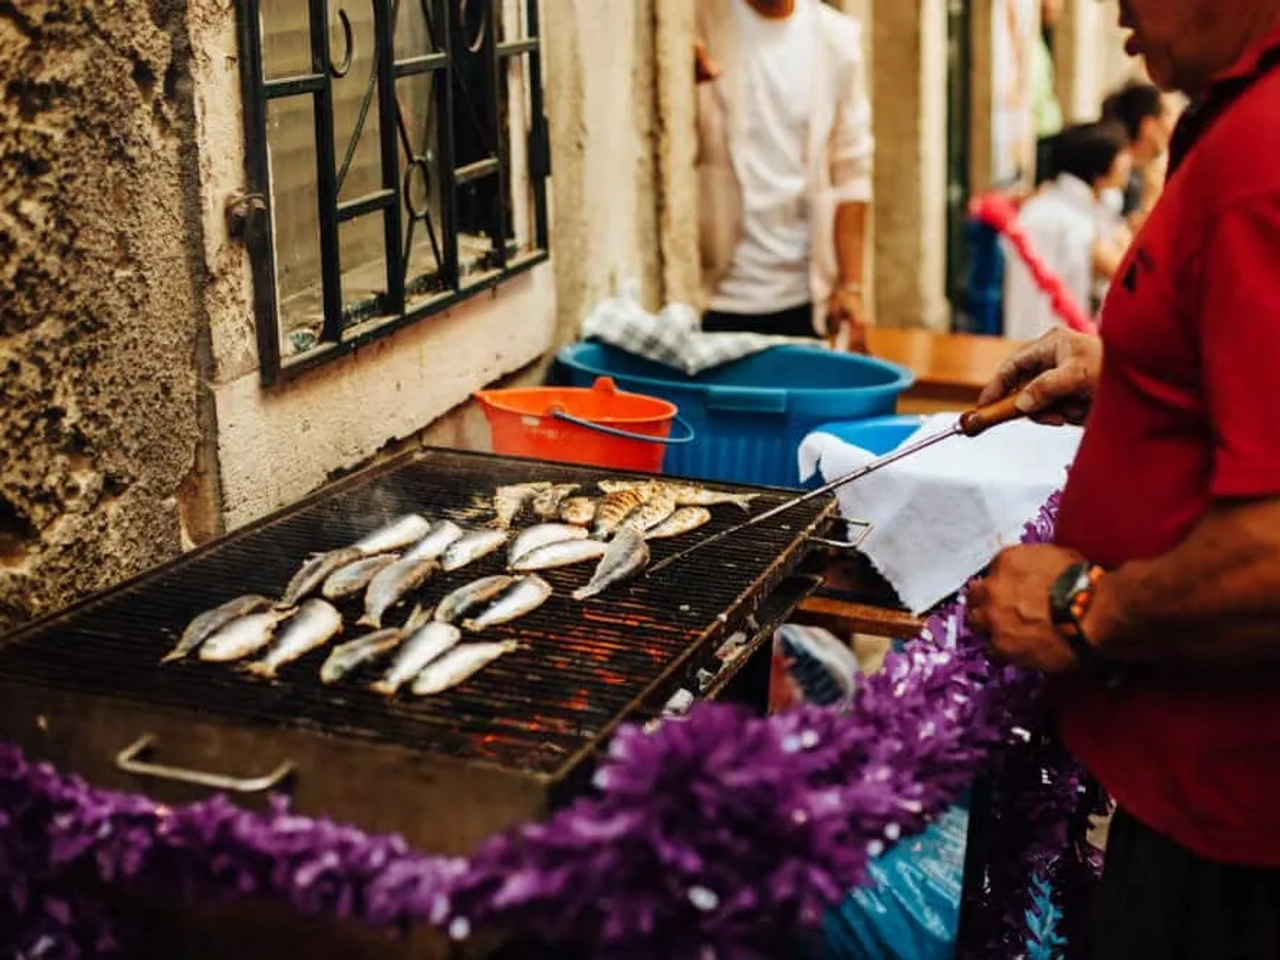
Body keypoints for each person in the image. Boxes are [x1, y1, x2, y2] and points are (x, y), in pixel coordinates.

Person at [967, 0, 1280, 955]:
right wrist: (1133, 373)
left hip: (1235, 841)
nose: (1115, 9)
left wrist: (1080, 609)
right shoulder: (1238, 124)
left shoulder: (1261, 161)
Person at [694, 0, 873, 352]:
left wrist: (850, 286)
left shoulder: (836, 40)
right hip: (713, 296)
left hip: (803, 298)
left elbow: (851, 170)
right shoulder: (701, 20)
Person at [1001, 121, 1133, 341]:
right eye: (1122, 155)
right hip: (1044, 337)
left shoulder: (1064, 204)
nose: (1128, 162)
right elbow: (1124, 270)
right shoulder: (1068, 218)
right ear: (1101, 167)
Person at [1101, 80, 1178, 230]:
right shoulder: (1115, 177)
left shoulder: (1142, 174)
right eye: (1168, 114)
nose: (1173, 125)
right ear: (1148, 125)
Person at [1033, 0, 1067, 184]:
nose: (1057, 6)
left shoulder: (1040, 42)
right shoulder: (1031, 46)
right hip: (1039, 135)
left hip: (1048, 131)